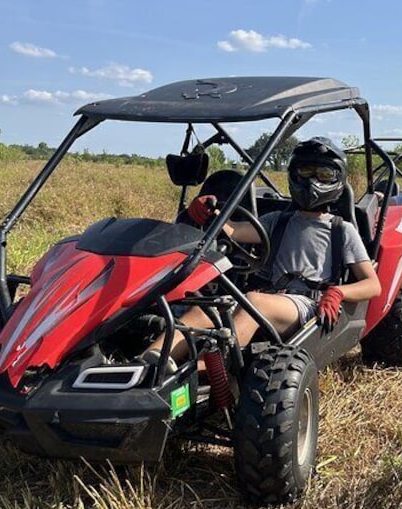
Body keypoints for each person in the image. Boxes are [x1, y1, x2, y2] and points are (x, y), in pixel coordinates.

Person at [145, 136, 381, 371]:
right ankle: (154, 358)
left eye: (324, 174)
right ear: (294, 175)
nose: (313, 181)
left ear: (337, 179)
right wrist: (209, 209)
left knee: (255, 301)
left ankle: (203, 369)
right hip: (272, 296)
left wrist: (338, 292)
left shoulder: (341, 229)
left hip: (308, 303)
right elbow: (234, 231)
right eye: (306, 171)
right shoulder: (277, 221)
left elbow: (373, 285)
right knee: (206, 309)